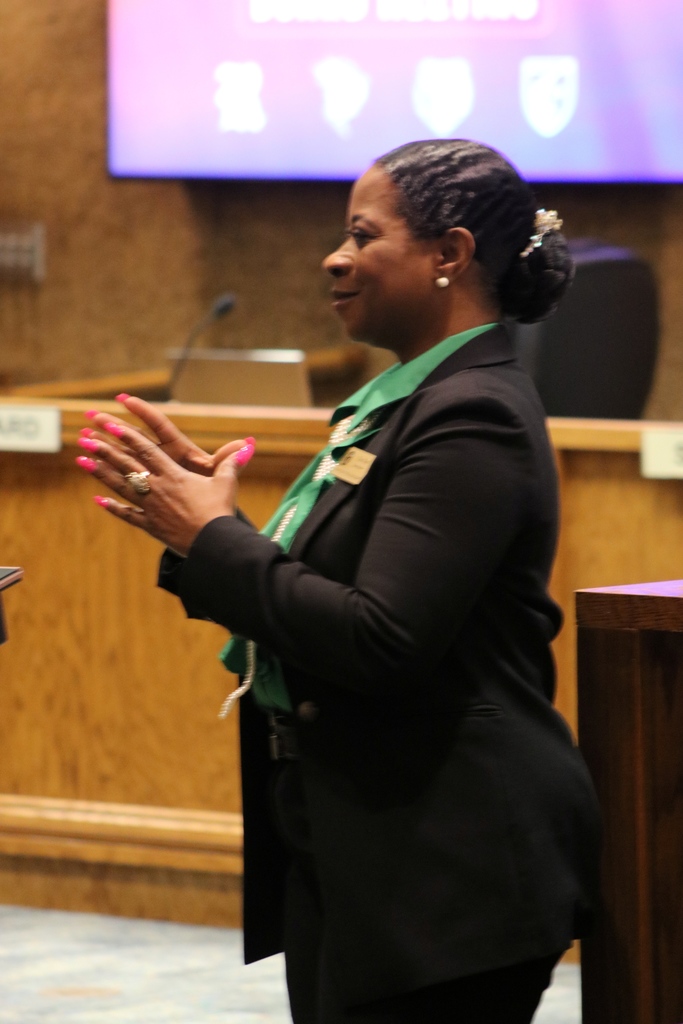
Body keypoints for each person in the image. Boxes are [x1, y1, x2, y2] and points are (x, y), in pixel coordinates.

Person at [76, 139, 601, 1024]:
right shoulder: (402, 401)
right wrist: (208, 532)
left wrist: (212, 539)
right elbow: (325, 592)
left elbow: (376, 638)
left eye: (361, 235)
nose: (334, 256)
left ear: (451, 255)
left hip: (451, 863)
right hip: (365, 845)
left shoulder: (471, 412)